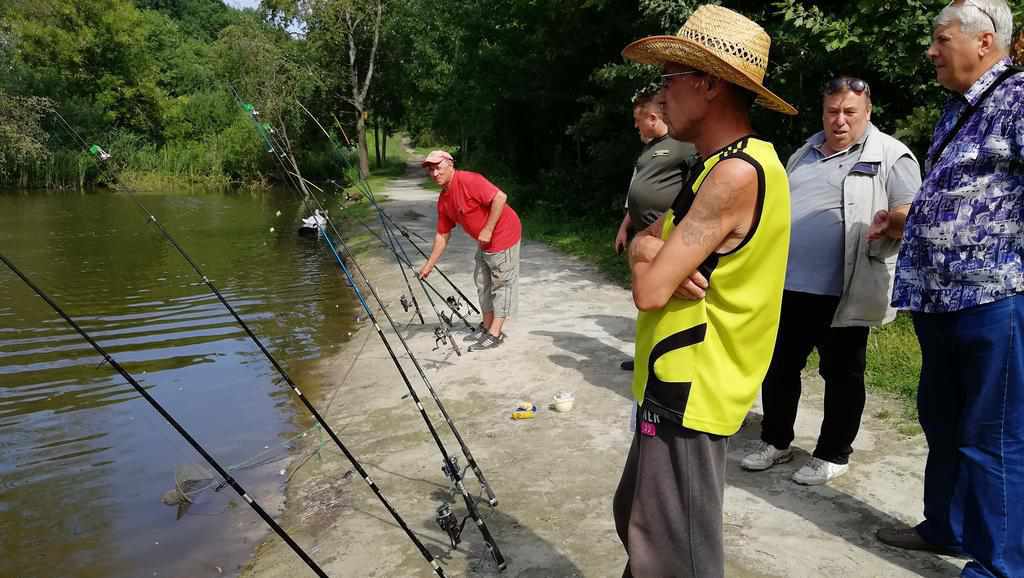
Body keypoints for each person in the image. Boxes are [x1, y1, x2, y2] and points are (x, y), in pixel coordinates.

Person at [612, 5, 795, 577]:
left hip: (690, 387)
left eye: (670, 79)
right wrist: (647, 251)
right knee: (640, 524)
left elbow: (649, 289)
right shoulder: (717, 164)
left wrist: (649, 258)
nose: (660, 97)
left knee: (675, 556)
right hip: (672, 381)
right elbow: (650, 250)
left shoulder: (733, 174)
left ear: (709, 84)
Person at [874, 2, 1024, 577]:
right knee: (943, 421)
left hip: (994, 300)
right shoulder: (959, 110)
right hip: (940, 299)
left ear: (984, 42)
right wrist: (906, 218)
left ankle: (1001, 567)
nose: (931, 51)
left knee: (995, 437)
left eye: (941, 40)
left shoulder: (1016, 98)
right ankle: (947, 526)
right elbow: (966, 199)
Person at [741, 77, 921, 485]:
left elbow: (913, 216)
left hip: (847, 288)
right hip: (789, 286)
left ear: (867, 112)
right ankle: (776, 441)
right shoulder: (804, 153)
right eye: (831, 111)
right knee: (780, 367)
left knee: (842, 374)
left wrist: (891, 223)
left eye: (849, 112)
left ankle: (833, 453)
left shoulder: (891, 155)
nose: (839, 121)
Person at [616, 85, 698, 372]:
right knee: (644, 298)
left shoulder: (683, 145)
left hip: (667, 239)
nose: (635, 124)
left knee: (665, 302)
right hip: (642, 239)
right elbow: (635, 188)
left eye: (638, 119)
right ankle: (644, 357)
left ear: (652, 118)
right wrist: (626, 224)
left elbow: (695, 188)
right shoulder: (648, 149)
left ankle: (663, 363)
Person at [418, 150, 522, 352]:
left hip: (504, 233)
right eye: (430, 170)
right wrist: (429, 265)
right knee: (482, 281)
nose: (434, 173)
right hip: (485, 242)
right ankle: (487, 324)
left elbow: (500, 197)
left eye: (438, 167)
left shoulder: (469, 180)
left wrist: (488, 228)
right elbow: (442, 234)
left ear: (450, 165)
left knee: (502, 282)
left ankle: (495, 332)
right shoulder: (444, 199)